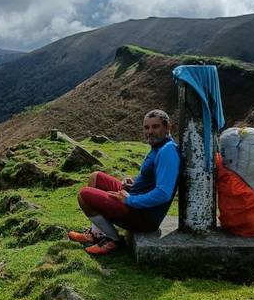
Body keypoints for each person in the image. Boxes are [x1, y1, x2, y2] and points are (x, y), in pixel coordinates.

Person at [67, 109, 180, 254]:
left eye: (155, 126)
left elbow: (163, 193)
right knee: (96, 177)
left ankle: (113, 240)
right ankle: (96, 234)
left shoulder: (167, 152)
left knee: (84, 196)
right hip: (136, 198)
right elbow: (152, 179)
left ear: (167, 127)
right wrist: (135, 183)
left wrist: (129, 200)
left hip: (144, 216)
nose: (150, 131)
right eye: (146, 127)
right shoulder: (159, 147)